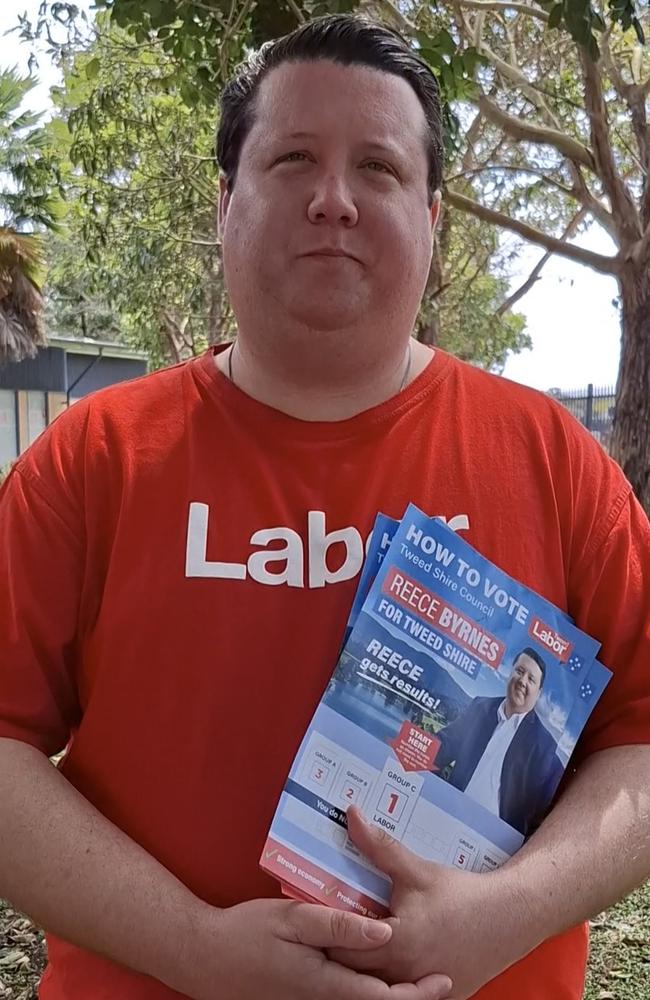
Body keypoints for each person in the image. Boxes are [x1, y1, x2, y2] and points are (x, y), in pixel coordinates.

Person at [0, 13, 649, 1000]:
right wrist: (194, 949)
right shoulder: (92, 462)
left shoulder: (554, 462)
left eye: (378, 170)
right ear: (224, 203)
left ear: (433, 220)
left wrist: (506, 914)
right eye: (292, 158)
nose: (332, 200)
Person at [435, 648, 563, 835]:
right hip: (448, 815)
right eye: (519, 671)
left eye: (531, 679)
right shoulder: (480, 707)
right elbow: (445, 744)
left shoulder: (544, 746)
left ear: (538, 692)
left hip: (492, 843)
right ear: (510, 673)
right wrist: (412, 749)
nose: (522, 681)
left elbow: (541, 812)